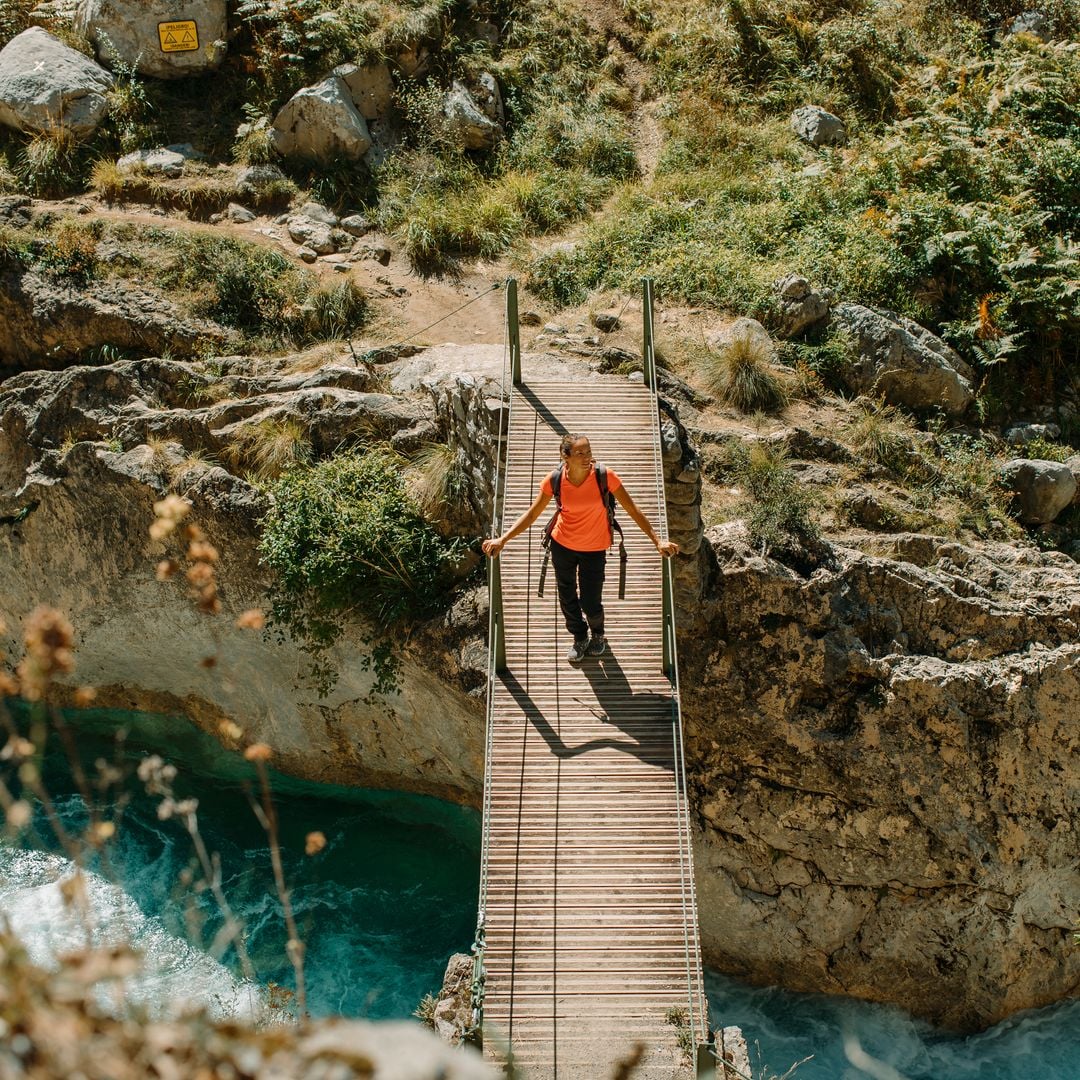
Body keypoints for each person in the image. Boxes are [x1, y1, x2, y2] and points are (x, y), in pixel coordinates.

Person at [482, 433, 679, 663]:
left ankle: (598, 634)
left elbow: (633, 509)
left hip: (595, 548)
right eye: (580, 453)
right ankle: (579, 636)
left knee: (590, 600)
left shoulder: (605, 477)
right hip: (562, 544)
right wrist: (503, 539)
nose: (587, 457)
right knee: (566, 596)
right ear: (565, 456)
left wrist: (657, 540)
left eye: (588, 451)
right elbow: (532, 514)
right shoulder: (554, 480)